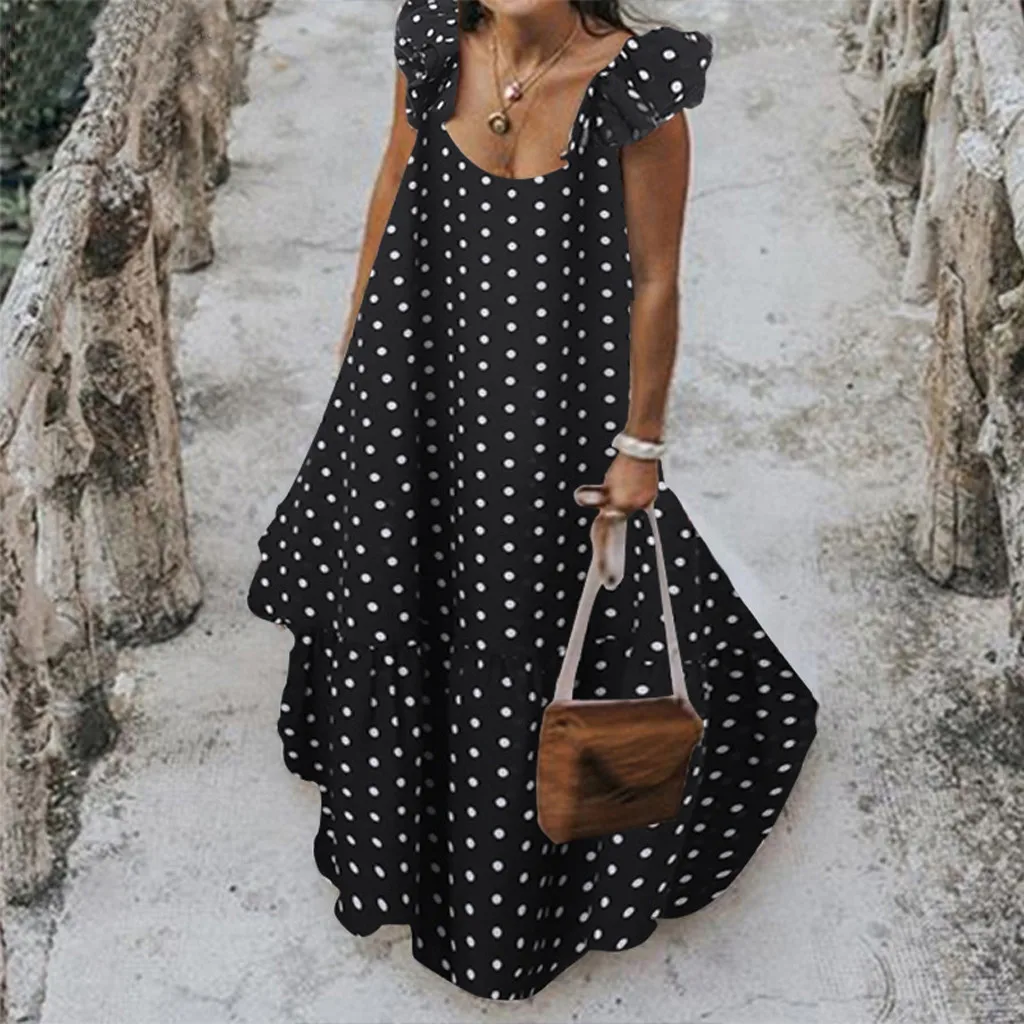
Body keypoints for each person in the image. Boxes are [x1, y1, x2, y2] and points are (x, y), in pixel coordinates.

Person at [247, 0, 819, 1002]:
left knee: (521, 626)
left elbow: (656, 281)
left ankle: (508, 903)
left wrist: (640, 446)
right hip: (416, 376)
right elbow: (394, 173)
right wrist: (359, 337)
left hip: (550, 415)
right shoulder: (434, 43)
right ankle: (400, 829)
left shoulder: (635, 91)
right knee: (396, 589)